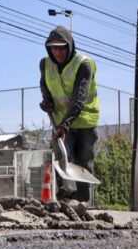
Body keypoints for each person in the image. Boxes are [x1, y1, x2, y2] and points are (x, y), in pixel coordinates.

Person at [38, 25, 99, 202]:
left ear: (70, 46)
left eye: (62, 47)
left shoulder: (84, 65)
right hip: (60, 120)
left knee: (83, 161)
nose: (58, 52)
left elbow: (79, 98)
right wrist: (47, 99)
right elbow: (44, 83)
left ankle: (82, 203)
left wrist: (65, 124)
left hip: (85, 121)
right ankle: (65, 200)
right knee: (64, 158)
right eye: (54, 48)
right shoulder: (45, 64)